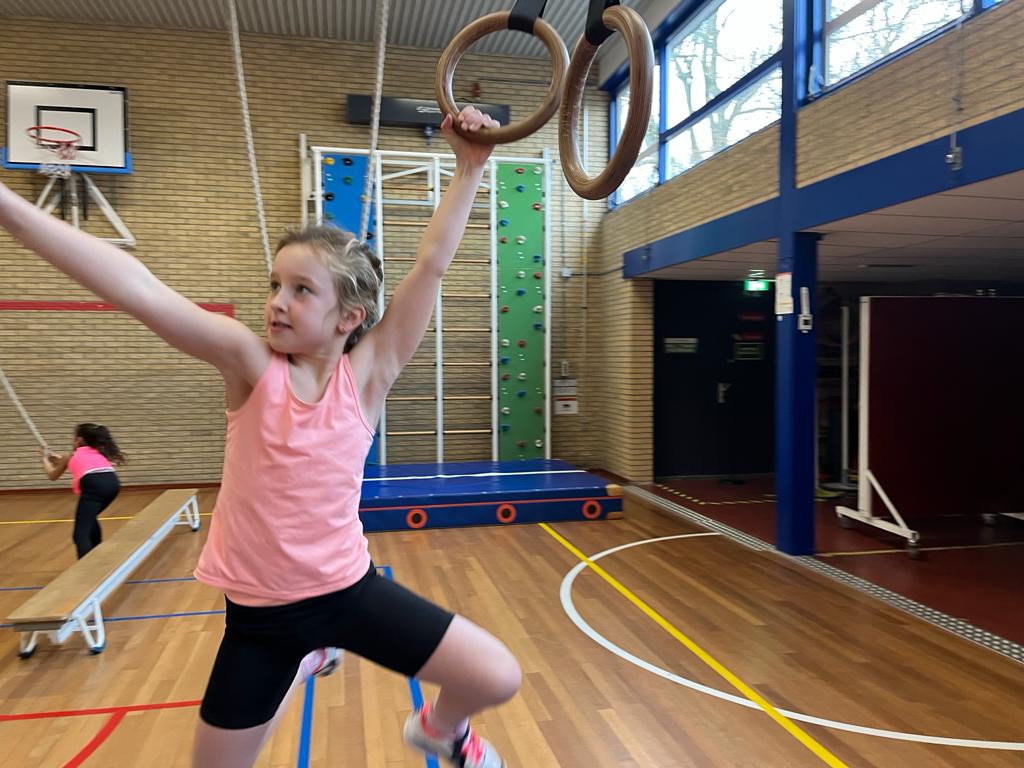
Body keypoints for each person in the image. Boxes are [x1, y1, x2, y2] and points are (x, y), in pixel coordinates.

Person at [0, 105, 519, 768]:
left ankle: (441, 731)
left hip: (349, 592)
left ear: (348, 318)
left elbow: (431, 269)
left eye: (301, 290)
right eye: (275, 283)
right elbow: (141, 291)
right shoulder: (249, 367)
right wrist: (12, 212)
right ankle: (306, 657)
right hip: (263, 622)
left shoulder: (367, 378)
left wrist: (470, 166)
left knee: (496, 676)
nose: (277, 300)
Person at [42, 423, 125, 558]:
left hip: (93, 485)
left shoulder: (71, 456)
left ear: (79, 440)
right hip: (112, 483)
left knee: (80, 534)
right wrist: (53, 457)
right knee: (90, 518)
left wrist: (44, 459)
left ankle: (86, 569)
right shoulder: (97, 452)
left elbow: (52, 475)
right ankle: (96, 555)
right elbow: (65, 461)